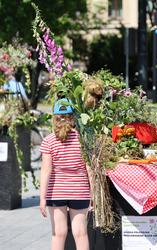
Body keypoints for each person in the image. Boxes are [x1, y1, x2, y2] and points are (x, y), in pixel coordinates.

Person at [39, 98, 91, 250]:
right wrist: (93, 194)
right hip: (80, 192)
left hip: (56, 192)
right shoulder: (83, 140)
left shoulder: (48, 141)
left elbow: (46, 170)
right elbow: (90, 169)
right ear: (73, 117)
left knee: (58, 234)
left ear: (54, 118)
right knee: (81, 233)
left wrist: (42, 198)